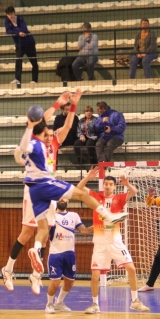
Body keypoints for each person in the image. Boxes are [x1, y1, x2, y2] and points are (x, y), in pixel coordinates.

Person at [18, 107, 128, 284]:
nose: (49, 136)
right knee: (82, 196)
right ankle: (109, 216)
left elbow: (30, 140)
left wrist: (34, 123)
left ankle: (36, 254)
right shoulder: (38, 145)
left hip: (34, 191)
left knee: (43, 231)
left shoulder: (34, 144)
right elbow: (53, 126)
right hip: (46, 184)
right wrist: (59, 106)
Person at [1, 89, 90, 295]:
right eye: (47, 134)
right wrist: (58, 103)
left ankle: (35, 275)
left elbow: (68, 125)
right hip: (33, 188)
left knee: (47, 232)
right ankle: (7, 269)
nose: (50, 137)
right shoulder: (35, 142)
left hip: (49, 188)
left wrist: (74, 105)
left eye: (52, 134)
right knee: (27, 232)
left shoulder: (56, 142)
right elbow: (38, 120)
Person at [77, 168, 150, 314]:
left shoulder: (119, 198)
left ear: (115, 186)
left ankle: (135, 301)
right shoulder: (96, 197)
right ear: (103, 185)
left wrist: (127, 184)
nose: (108, 186)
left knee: (131, 269)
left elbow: (134, 192)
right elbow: (79, 188)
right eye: (106, 184)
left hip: (116, 241)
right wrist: (89, 176)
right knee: (95, 275)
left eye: (111, 184)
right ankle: (95, 304)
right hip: (100, 242)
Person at [44, 199, 91, 313]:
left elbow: (84, 231)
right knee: (55, 282)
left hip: (70, 254)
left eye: (64, 198)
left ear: (67, 200)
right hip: (55, 254)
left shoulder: (74, 216)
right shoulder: (51, 216)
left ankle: (59, 302)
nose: (62, 200)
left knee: (70, 282)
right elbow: (44, 234)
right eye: (59, 198)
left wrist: (97, 226)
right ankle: (49, 304)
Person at [4, 6, 38, 84]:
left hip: (29, 42)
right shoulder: (7, 21)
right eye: (9, 14)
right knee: (18, 61)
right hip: (19, 44)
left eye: (12, 14)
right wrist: (18, 33)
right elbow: (8, 31)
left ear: (14, 13)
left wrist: (16, 31)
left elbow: (24, 28)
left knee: (33, 61)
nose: (11, 16)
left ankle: (34, 80)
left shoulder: (19, 18)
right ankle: (17, 79)